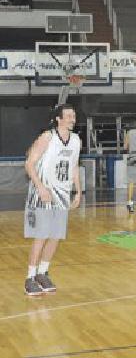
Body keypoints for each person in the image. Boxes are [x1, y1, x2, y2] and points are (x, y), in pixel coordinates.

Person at [23, 104, 81, 295]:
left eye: (74, 115)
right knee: (41, 235)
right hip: (43, 192)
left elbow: (73, 168)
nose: (73, 118)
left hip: (62, 193)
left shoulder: (76, 140)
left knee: (56, 236)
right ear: (58, 118)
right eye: (69, 115)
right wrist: (40, 187)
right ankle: (30, 277)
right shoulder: (48, 137)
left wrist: (78, 191)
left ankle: (42, 273)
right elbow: (29, 163)